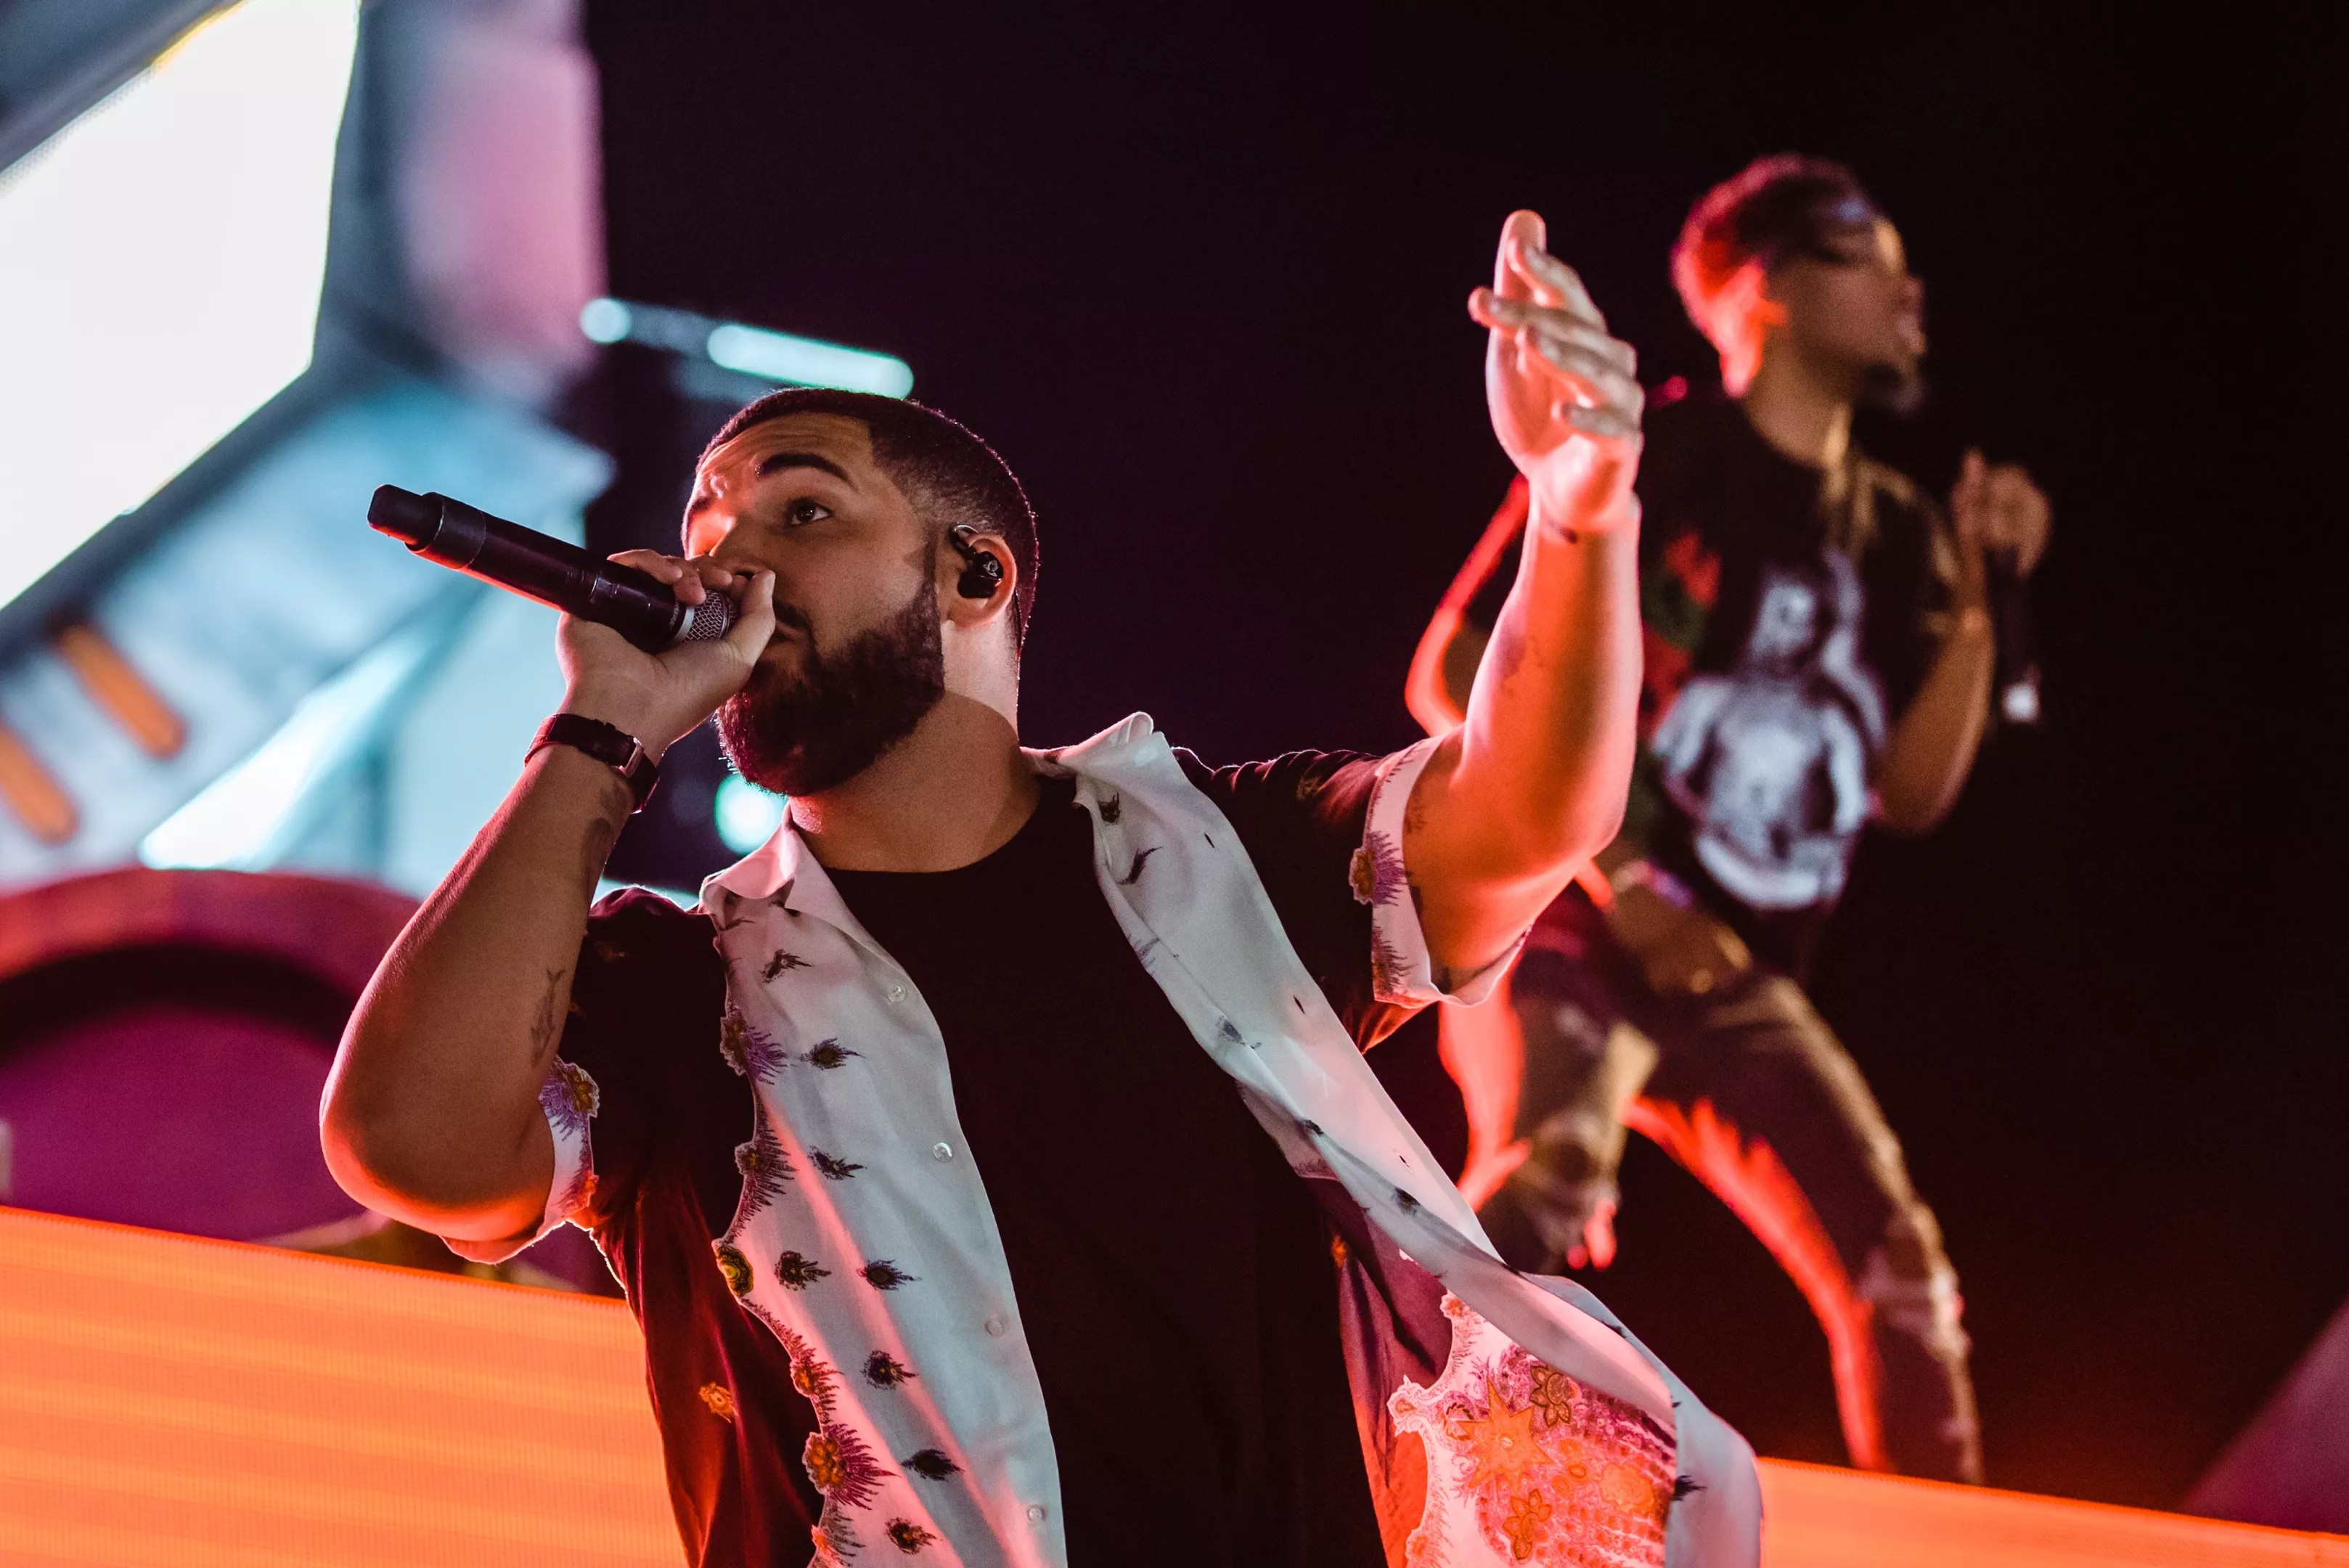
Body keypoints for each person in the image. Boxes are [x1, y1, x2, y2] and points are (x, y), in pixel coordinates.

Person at [322, 213, 1758, 1568]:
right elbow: (411, 1146)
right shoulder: (674, 988)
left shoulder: (1220, 858)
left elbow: (1525, 812)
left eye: (800, 511)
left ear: (973, 575)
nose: (728, 564)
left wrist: (1580, 509)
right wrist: (600, 734)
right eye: (706, 531)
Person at [1404, 158, 2051, 1486]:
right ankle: (1374, 1474)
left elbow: (1913, 793)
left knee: (1902, 1272)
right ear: (1766, 289)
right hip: (1575, 924)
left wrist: (1988, 597)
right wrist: (1634, 880)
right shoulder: (1660, 458)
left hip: (1734, 972)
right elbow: (1455, 671)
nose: (1910, 293)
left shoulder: (1901, 531)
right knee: (1548, 1178)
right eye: (1870, 260)